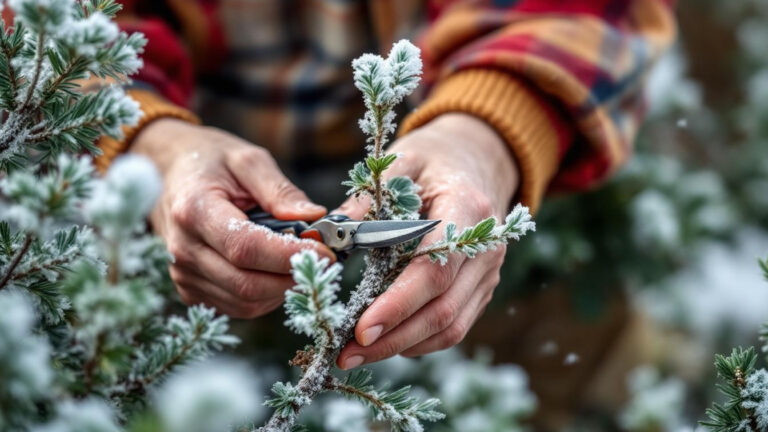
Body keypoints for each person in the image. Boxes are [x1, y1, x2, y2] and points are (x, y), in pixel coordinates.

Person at [100, 0, 676, 371]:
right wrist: (154, 143)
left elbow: (587, 11)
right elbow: (47, 26)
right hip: (127, 267)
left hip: (531, 287)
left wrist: (484, 137)